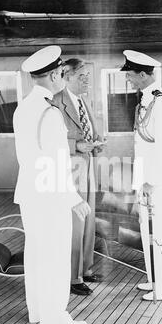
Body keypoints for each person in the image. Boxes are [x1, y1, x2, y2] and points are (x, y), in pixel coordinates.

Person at [13, 46, 90, 324]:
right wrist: (73, 198)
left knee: (36, 255)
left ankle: (37, 310)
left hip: (30, 194)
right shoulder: (49, 112)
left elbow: (31, 158)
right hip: (50, 196)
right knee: (56, 257)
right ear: (56, 74)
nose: (63, 77)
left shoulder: (23, 108)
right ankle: (54, 318)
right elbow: (55, 162)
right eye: (62, 73)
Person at [120, 50, 162, 301]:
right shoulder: (146, 98)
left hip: (155, 181)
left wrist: (150, 180)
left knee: (161, 233)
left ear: (144, 74)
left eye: (131, 76)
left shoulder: (159, 100)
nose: (129, 80)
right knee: (148, 232)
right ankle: (155, 278)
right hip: (146, 180)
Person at [53, 58, 105, 296]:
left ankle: (85, 269)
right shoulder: (56, 103)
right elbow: (49, 140)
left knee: (89, 220)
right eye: (82, 76)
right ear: (67, 76)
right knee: (75, 223)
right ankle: (73, 278)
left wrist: (95, 144)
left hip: (88, 167)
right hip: (70, 171)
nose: (87, 80)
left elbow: (89, 131)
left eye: (88, 76)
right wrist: (76, 146)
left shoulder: (83, 101)